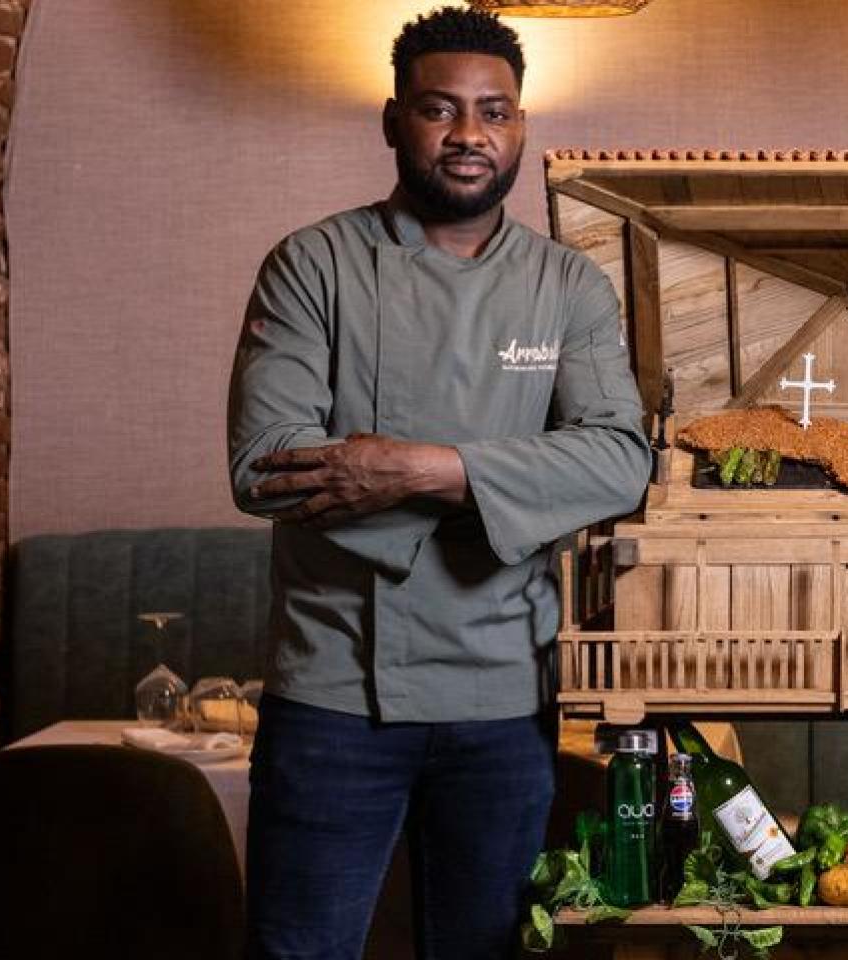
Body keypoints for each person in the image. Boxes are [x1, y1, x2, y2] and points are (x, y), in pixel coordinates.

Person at [226, 8, 650, 958]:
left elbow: (620, 459)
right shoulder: (314, 264)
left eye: (493, 112)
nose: (469, 134)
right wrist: (514, 490)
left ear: (520, 127)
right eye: (439, 109)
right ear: (394, 121)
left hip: (504, 696)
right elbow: (266, 463)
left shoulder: (568, 286)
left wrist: (423, 469)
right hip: (335, 689)